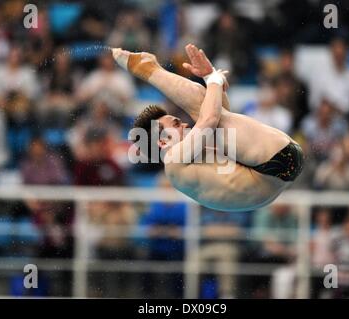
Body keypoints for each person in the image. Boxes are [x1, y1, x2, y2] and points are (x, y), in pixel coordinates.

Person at [112, 44, 304, 212]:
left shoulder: (189, 158)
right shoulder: (173, 161)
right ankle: (148, 70)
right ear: (162, 141)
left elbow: (221, 112)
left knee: (208, 108)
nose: (185, 124)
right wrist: (213, 78)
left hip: (275, 171)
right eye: (176, 124)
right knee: (204, 110)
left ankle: (149, 69)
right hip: (275, 164)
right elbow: (211, 119)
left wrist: (210, 79)